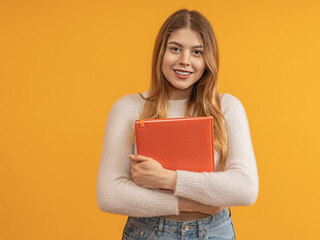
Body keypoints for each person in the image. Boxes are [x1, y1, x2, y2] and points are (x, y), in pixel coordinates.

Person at [96, 9, 259, 240]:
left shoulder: (227, 107)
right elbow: (109, 195)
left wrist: (166, 179)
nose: (185, 60)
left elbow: (245, 188)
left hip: (214, 232)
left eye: (196, 52)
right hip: (148, 231)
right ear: (160, 52)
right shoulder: (128, 107)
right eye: (175, 49)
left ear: (207, 60)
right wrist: (187, 202)